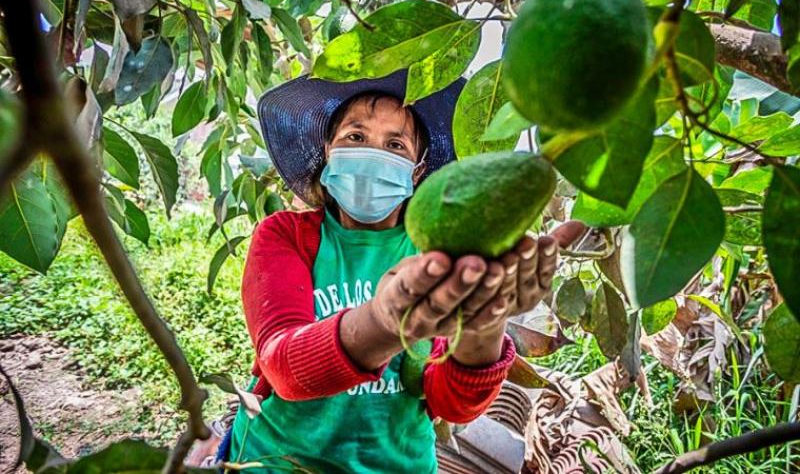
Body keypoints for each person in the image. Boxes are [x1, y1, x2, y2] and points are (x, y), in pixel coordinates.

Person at [191, 68, 584, 472]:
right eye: (356, 137)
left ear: (417, 171)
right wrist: (387, 320)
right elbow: (283, 366)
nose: (373, 152)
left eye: (395, 144)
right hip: (274, 462)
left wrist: (484, 328)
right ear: (328, 149)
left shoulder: (440, 254)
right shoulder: (286, 236)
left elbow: (453, 403)